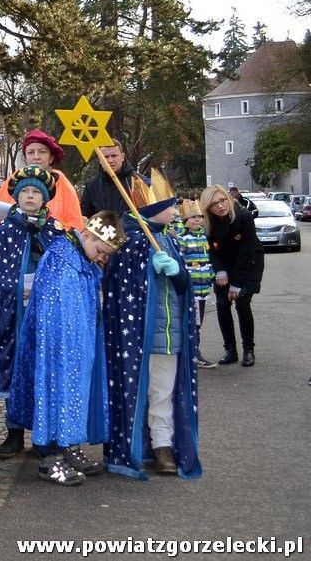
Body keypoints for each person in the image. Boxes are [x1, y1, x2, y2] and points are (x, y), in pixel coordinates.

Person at [8, 211, 126, 486]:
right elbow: (53, 313)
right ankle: (50, 457)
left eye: (106, 255)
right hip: (57, 349)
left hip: (76, 346)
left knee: (73, 394)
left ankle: (68, 444)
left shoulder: (81, 261)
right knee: (56, 393)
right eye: (100, 250)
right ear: (87, 234)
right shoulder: (60, 261)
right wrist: (66, 346)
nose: (102, 259)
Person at [103, 170, 201, 479]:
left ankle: (162, 447)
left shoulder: (169, 240)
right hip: (139, 336)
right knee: (137, 391)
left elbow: (185, 286)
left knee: (163, 393)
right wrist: (147, 270)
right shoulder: (131, 241)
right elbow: (119, 287)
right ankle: (131, 447)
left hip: (169, 336)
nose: (176, 211)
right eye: (170, 205)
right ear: (151, 209)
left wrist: (176, 272)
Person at [0, 165, 64, 460]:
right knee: (16, 368)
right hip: (16, 313)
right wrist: (16, 288)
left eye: (35, 192)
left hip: (46, 313)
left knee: (45, 370)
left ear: (45, 198)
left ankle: (45, 436)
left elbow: (64, 270)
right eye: (25, 191)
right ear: (16, 197)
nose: (30, 196)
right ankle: (14, 432)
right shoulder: (6, 230)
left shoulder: (55, 230)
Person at [0, 129, 83, 257]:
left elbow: (74, 226)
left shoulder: (63, 185)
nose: (36, 156)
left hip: (52, 258)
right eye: (31, 152)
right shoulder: (13, 181)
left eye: (42, 152)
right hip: (14, 255)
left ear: (51, 157)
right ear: (25, 157)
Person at [201, 184, 265, 368]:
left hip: (248, 262)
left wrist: (236, 284)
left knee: (242, 303)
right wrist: (219, 271)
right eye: (214, 204)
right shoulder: (209, 222)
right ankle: (230, 349)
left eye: (222, 200)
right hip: (223, 264)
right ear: (208, 208)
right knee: (222, 304)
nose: (220, 206)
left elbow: (247, 251)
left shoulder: (243, 216)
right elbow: (211, 252)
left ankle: (248, 350)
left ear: (228, 199)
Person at [179, 199, 216, 369]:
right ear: (185, 220)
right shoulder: (183, 239)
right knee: (191, 323)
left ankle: (195, 352)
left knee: (198, 323)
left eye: (199, 217)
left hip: (203, 291)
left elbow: (209, 261)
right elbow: (180, 262)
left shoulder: (204, 237)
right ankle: (192, 354)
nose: (197, 220)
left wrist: (211, 275)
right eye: (192, 217)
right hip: (190, 290)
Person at [79, 140, 137, 217]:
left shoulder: (137, 182)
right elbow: (85, 215)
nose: (110, 161)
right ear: (100, 159)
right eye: (106, 157)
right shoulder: (92, 185)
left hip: (131, 228)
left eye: (114, 156)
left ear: (122, 157)